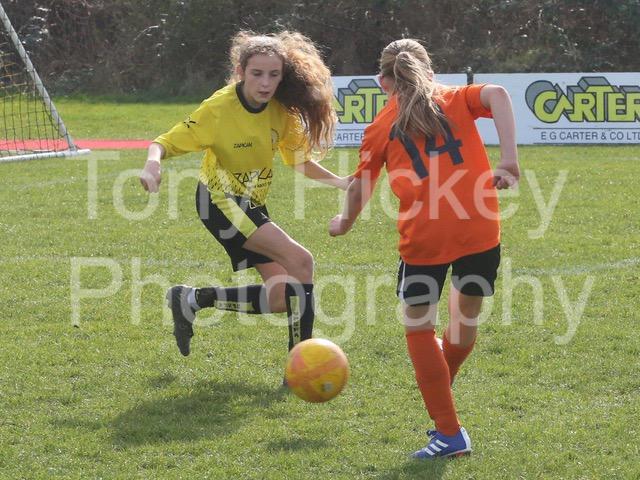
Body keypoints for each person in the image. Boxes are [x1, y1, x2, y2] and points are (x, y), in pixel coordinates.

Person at [329, 39, 519, 459]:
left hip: (425, 237)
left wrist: (344, 222)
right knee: (464, 320)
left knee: (419, 329)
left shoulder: (380, 125)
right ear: (429, 71)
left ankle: (449, 432)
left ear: (383, 82)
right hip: (480, 228)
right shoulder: (456, 98)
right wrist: (508, 160)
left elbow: (360, 187)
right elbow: (500, 95)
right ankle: (440, 392)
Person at [139, 31, 349, 368]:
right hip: (219, 202)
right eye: (257, 73)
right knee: (302, 262)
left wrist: (340, 182)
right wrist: (152, 164)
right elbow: (163, 142)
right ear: (240, 72)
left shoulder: (281, 111)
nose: (265, 83)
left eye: (274, 75)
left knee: (280, 296)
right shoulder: (219, 109)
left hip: (250, 205)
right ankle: (301, 367)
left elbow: (297, 160)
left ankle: (192, 299)